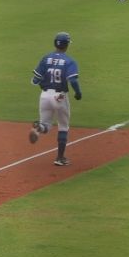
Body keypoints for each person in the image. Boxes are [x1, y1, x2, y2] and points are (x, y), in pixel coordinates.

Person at [28, 32, 83, 166]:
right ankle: (60, 158)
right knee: (63, 126)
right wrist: (78, 93)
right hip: (59, 96)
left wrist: (43, 84)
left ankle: (38, 128)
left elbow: (35, 80)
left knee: (46, 125)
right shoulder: (69, 61)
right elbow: (73, 80)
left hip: (44, 96)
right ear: (67, 45)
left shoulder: (46, 58)